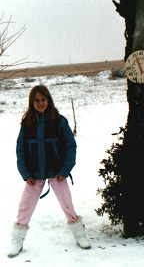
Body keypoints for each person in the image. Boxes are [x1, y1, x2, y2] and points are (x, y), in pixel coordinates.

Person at [8, 85, 91, 258]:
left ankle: (79, 234)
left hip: (57, 172)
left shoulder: (59, 121)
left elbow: (70, 146)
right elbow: (20, 150)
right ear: (32, 102)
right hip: (34, 174)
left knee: (67, 203)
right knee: (25, 206)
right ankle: (17, 239)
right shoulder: (27, 123)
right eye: (36, 101)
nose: (40, 103)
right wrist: (25, 173)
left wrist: (65, 170)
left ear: (49, 100)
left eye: (43, 100)